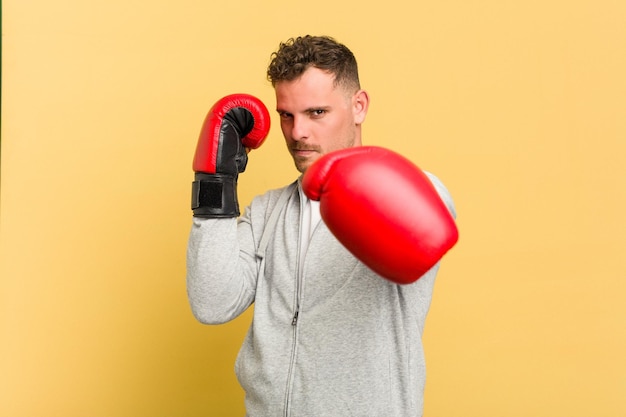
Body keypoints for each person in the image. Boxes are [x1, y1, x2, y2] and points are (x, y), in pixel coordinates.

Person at [186, 35, 457, 417]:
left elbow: (431, 220)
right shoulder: (267, 211)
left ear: (358, 106)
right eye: (286, 115)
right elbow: (213, 303)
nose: (298, 133)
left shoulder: (407, 192)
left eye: (316, 113)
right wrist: (215, 183)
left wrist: (347, 183)